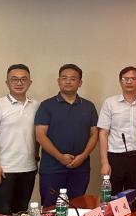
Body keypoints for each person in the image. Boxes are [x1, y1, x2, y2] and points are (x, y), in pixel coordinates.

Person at [35, 64, 98, 207]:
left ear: (80, 83)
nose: (68, 81)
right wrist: (60, 157)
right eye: (64, 78)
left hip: (80, 168)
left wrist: (83, 156)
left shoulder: (88, 106)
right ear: (58, 81)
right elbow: (40, 136)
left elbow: (94, 134)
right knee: (51, 209)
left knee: (77, 208)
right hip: (52, 169)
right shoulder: (46, 105)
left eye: (73, 79)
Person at [0, 64, 40, 215]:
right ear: (7, 82)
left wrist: (36, 158)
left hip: (28, 168)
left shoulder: (37, 106)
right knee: (2, 214)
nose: (19, 83)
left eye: (23, 79)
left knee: (21, 213)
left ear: (30, 82)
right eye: (14, 79)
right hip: (5, 169)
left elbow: (38, 136)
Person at [98, 66, 136, 195]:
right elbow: (103, 133)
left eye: (133, 78)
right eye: (125, 79)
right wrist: (104, 162)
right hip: (115, 157)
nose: (129, 82)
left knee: (134, 196)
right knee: (112, 197)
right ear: (120, 81)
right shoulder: (110, 103)